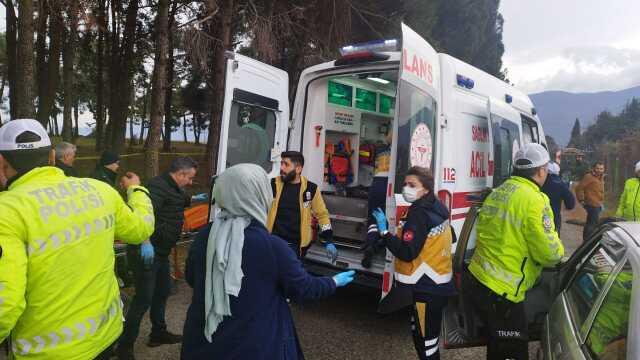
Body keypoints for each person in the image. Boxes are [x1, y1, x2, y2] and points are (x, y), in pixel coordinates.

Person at [0, 119, 155, 359]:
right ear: (52, 156)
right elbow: (141, 229)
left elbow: (5, 303)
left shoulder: (7, 212)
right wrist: (137, 190)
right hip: (105, 336)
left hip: (48, 352)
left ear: (1, 162)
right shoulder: (99, 191)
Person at [180, 164, 355, 359]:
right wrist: (333, 282)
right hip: (251, 346)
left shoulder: (206, 235)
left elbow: (191, 277)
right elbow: (303, 288)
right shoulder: (272, 247)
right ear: (259, 195)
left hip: (203, 342)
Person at [467, 143, 565, 360]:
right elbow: (550, 253)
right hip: (504, 293)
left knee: (497, 346)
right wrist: (559, 251)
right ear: (540, 171)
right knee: (512, 351)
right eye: (545, 169)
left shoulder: (499, 192)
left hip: (480, 279)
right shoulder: (535, 200)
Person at [370, 166, 455, 360]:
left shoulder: (418, 213)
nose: (406, 188)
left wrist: (384, 233)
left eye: (412, 185)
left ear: (425, 189)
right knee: (427, 341)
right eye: (405, 184)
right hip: (436, 287)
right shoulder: (437, 207)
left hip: (426, 290)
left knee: (426, 345)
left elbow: (407, 252)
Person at [117, 157, 198, 359]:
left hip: (161, 252)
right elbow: (142, 214)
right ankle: (124, 346)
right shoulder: (156, 187)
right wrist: (145, 242)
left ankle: (158, 333)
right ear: (180, 174)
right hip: (147, 251)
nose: (190, 183)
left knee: (163, 291)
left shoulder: (174, 187)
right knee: (143, 299)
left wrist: (198, 199)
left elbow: (179, 200)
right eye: (189, 178)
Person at [267, 151, 337, 261]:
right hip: (271, 242)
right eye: (281, 163)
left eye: (286, 164)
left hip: (295, 247)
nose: (281, 168)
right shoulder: (272, 185)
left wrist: (329, 240)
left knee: (289, 278)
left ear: (298, 169)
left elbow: (322, 215)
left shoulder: (311, 189)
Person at [362, 129, 392, 268]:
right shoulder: (402, 150)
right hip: (390, 184)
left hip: (377, 183)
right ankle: (383, 244)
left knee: (374, 218)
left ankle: (370, 244)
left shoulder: (380, 149)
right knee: (388, 217)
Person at [541, 161, 575, 231]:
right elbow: (570, 204)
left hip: (536, 216)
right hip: (554, 218)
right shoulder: (561, 185)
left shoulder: (538, 183)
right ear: (558, 172)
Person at [575, 162, 605, 240]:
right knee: (592, 225)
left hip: (598, 204)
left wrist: (601, 202)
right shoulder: (589, 176)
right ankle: (587, 242)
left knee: (591, 224)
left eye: (601, 168)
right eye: (598, 168)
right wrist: (581, 200)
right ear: (594, 168)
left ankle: (586, 242)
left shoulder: (601, 177)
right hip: (591, 204)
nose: (599, 170)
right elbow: (579, 188)